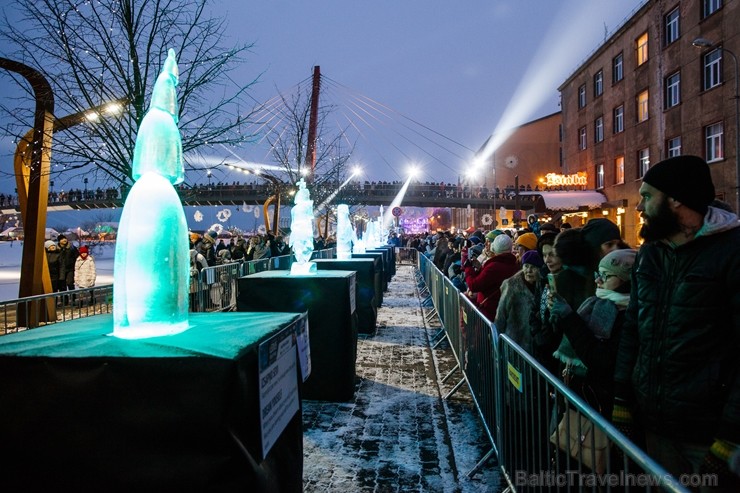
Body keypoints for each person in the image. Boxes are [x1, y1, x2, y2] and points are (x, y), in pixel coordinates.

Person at [613, 155, 740, 491]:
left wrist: (730, 435)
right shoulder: (652, 252)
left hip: (709, 434)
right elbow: (633, 332)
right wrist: (623, 399)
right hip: (656, 424)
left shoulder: (732, 252)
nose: (639, 207)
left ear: (676, 199)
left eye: (646, 196)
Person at [548, 248, 636, 420]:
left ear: (626, 280)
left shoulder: (628, 315)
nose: (598, 280)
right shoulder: (595, 303)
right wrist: (558, 315)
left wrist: (568, 317)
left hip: (601, 405)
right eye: (598, 274)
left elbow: (599, 358)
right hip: (583, 399)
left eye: (606, 276)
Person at [495, 250, 544, 356]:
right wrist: (497, 341)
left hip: (537, 345)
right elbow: (501, 315)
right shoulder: (511, 285)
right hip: (515, 343)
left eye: (533, 267)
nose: (529, 271)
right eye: (526, 266)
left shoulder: (543, 285)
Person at [463, 234, 519, 322]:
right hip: (503, 311)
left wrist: (468, 269)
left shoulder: (493, 267)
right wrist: (481, 268)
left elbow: (474, 285)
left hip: (489, 312)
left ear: (494, 248)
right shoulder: (514, 264)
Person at [57, 234, 79, 302]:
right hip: (60, 270)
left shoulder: (71, 247)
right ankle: (64, 300)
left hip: (70, 269)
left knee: (70, 284)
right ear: (59, 241)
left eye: (65, 238)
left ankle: (73, 299)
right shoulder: (57, 249)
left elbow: (77, 256)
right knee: (62, 286)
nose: (64, 240)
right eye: (62, 239)